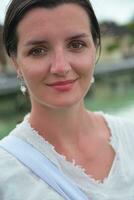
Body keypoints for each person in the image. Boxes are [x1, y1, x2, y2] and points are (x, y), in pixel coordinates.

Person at [0, 0, 134, 199]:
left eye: (76, 44)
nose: (61, 67)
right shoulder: (6, 173)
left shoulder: (130, 136)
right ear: (16, 62)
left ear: (95, 48)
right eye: (38, 50)